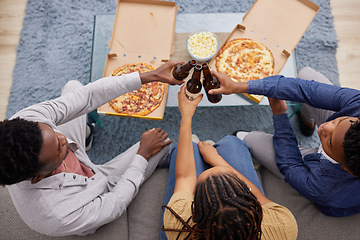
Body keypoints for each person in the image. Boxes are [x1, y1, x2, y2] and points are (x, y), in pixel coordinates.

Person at [0, 60, 185, 236]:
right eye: (59, 149)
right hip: (96, 189)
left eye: (52, 130)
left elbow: (88, 96)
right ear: (39, 176)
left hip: (75, 163)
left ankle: (85, 137)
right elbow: (116, 203)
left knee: (74, 87)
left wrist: (151, 76)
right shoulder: (58, 214)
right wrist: (142, 155)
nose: (64, 138)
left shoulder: (28, 119)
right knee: (161, 144)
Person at [209, 67, 360, 217]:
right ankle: (308, 123)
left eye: (330, 141)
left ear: (347, 168)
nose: (325, 126)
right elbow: (307, 90)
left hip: (328, 184)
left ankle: (330, 130)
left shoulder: (325, 188)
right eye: (339, 120)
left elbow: (290, 164)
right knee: (305, 75)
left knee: (250, 139)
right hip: (340, 153)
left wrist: (280, 114)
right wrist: (239, 86)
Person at [161, 85, 298, 240]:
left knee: (187, 148)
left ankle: (194, 145)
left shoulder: (178, 222)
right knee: (230, 143)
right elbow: (260, 197)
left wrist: (186, 115)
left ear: (195, 212)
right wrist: (217, 160)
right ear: (251, 203)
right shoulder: (282, 227)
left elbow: (185, 177)